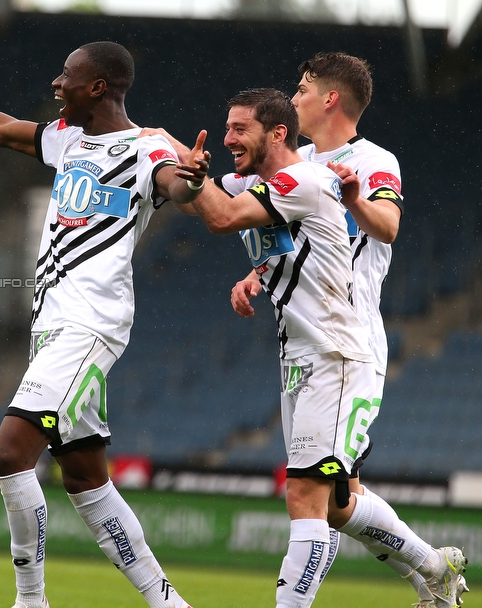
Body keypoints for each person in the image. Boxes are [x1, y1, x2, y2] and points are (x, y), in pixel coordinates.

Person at [0, 41, 205, 608]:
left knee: (8, 454)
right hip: (53, 326)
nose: (56, 82)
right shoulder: (69, 139)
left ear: (97, 86)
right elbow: (2, 129)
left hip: (89, 325)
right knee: (86, 482)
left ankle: (30, 601)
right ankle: (168, 602)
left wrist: (192, 180)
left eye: (67, 75)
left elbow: (175, 183)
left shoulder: (146, 149)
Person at [176, 87, 466, 608]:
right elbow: (249, 215)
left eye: (302, 87)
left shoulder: (345, 167)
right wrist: (256, 270)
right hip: (303, 351)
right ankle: (432, 567)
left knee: (308, 497)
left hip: (341, 346)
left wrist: (155, 147)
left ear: (325, 100)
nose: (228, 139)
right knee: (335, 502)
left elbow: (386, 226)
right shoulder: (295, 167)